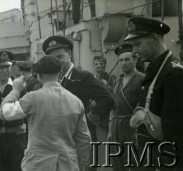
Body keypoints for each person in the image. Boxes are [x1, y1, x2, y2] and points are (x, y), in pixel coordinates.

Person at [0, 55, 91, 171]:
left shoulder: (32, 98)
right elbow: (84, 140)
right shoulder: (76, 102)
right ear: (60, 73)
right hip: (68, 165)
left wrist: (16, 90)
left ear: (39, 76)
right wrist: (79, 166)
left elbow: (3, 113)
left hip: (38, 165)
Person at [42, 35, 115, 171]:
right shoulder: (53, 81)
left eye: (59, 57)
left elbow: (107, 99)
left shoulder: (83, 77)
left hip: (81, 142)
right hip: (59, 143)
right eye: (52, 59)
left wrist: (90, 117)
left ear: (69, 54)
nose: (56, 63)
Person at [125, 16, 183, 170]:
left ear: (154, 38)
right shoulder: (155, 69)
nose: (134, 52)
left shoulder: (173, 73)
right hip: (146, 157)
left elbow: (175, 133)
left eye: (137, 44)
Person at [108, 43, 144, 171]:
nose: (123, 63)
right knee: (117, 164)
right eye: (121, 60)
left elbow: (144, 106)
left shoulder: (142, 79)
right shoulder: (117, 81)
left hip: (132, 128)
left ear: (135, 59)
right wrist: (110, 130)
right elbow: (113, 106)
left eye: (127, 59)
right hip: (117, 127)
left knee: (135, 163)